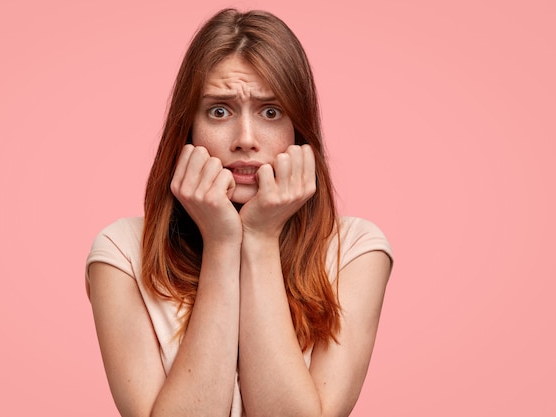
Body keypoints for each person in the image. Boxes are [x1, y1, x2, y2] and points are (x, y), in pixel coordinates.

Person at [86, 8, 392, 417]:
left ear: (298, 131)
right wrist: (221, 242)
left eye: (271, 112)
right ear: (187, 128)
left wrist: (261, 239)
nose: (245, 140)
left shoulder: (357, 251)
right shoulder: (121, 253)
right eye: (219, 111)